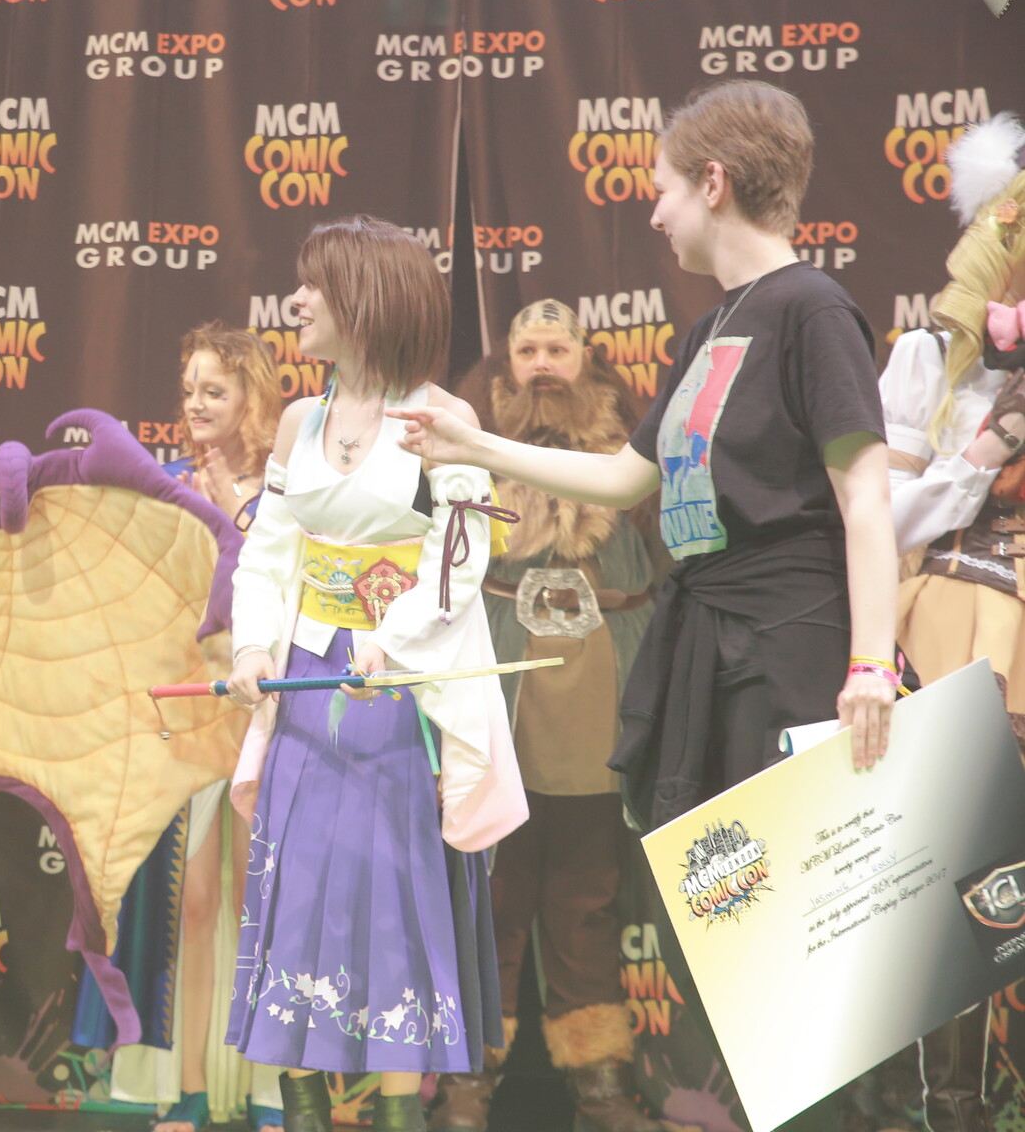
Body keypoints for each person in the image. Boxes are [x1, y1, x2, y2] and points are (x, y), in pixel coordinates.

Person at [390, 79, 896, 1131]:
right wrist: (474, 442)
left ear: (714, 183)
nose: (655, 213)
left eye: (662, 189)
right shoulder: (712, 327)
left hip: (791, 649)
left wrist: (870, 664)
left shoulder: (812, 310)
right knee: (719, 921)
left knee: (794, 930)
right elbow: (628, 478)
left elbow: (865, 498)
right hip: (708, 646)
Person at [226, 214, 516, 1132]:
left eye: (314, 285)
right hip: (305, 684)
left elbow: (458, 560)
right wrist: (251, 645)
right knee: (296, 886)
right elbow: (269, 551)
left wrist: (391, 641)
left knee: (390, 889)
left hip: (397, 692)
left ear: (366, 298)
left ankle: (397, 1115)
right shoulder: (299, 420)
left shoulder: (443, 419)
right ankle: (303, 1110)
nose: (296, 301)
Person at [433, 301, 661, 1132]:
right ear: (504, 365)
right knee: (491, 895)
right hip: (499, 693)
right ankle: (467, 1085)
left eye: (556, 349)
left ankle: (599, 1086)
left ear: (585, 358)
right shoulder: (464, 445)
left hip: (601, 692)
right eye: (526, 349)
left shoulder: (635, 451)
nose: (541, 365)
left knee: (587, 898)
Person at [77, 322, 286, 1132]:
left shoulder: (288, 489)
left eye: (215, 391)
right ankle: (191, 1089)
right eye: (190, 389)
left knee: (258, 902)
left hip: (270, 711)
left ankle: (270, 1093)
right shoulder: (166, 484)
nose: (196, 404)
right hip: (195, 713)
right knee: (195, 905)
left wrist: (236, 511)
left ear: (251, 397)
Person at [871, 111, 1025, 1132]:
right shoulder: (930, 360)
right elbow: (878, 523)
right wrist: (986, 448)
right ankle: (951, 1110)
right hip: (959, 631)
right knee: (963, 886)